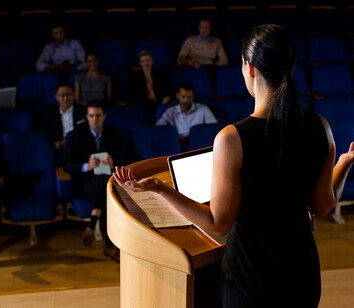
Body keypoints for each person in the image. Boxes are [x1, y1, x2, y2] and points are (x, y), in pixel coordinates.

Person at [114, 24, 354, 307]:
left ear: (249, 68)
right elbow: (323, 205)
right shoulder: (321, 128)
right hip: (302, 275)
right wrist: (345, 162)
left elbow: (218, 223)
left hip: (252, 280)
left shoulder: (231, 139)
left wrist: (161, 189)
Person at [63, 99, 125, 263]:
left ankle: (92, 223)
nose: (95, 119)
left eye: (98, 115)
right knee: (105, 190)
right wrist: (86, 166)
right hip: (84, 183)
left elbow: (126, 160)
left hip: (107, 183)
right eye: (91, 116)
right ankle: (110, 246)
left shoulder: (115, 134)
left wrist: (114, 163)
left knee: (104, 182)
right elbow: (67, 164)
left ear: (104, 116)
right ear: (87, 117)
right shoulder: (75, 135)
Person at [156, 81, 217, 151]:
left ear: (193, 96)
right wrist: (174, 136)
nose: (186, 100)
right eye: (183, 97)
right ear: (177, 95)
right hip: (177, 145)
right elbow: (159, 129)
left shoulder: (203, 109)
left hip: (199, 145)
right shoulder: (171, 111)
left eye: (189, 97)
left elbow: (213, 129)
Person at [39, 84, 86, 166]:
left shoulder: (83, 111)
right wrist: (54, 143)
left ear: (73, 95)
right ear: (56, 97)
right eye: (62, 95)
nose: (66, 98)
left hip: (79, 147)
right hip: (58, 149)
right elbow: (43, 132)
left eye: (69, 94)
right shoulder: (49, 113)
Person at [128, 50, 175, 124]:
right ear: (140, 63)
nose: (146, 63)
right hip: (143, 104)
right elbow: (132, 94)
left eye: (148, 60)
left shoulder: (161, 75)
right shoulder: (134, 77)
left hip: (160, 103)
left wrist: (167, 97)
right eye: (143, 61)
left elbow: (170, 89)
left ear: (152, 61)